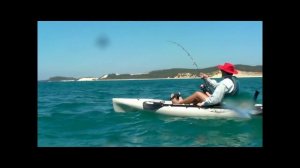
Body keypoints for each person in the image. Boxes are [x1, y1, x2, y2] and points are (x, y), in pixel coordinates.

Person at [171, 62, 239, 107]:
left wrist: (203, 104)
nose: (221, 71)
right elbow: (216, 86)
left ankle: (178, 103)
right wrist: (206, 78)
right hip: (227, 103)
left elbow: (215, 100)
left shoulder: (225, 83)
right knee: (199, 97)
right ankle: (183, 101)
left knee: (197, 94)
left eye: (222, 70)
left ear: (224, 71)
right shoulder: (232, 80)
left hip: (221, 104)